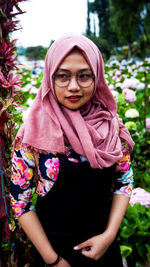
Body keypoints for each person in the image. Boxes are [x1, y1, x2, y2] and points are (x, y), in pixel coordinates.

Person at [10, 34, 134, 267]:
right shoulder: (32, 135)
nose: (74, 86)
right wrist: (52, 259)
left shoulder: (112, 126)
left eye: (85, 76)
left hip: (104, 252)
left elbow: (124, 182)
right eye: (63, 76)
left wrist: (108, 236)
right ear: (50, 77)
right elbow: (20, 200)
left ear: (97, 77)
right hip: (53, 254)